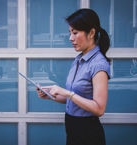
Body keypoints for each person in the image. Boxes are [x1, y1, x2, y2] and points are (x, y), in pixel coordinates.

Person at [36, 8, 110, 145]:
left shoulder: (98, 65)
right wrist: (50, 96)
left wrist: (68, 93)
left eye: (75, 33)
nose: (70, 38)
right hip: (72, 129)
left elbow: (99, 109)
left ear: (91, 33)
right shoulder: (78, 60)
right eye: (70, 32)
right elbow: (75, 99)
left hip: (87, 133)